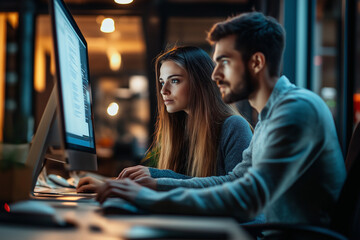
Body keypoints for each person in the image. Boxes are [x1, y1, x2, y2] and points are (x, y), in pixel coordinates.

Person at [95, 12, 346, 226]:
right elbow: (235, 181)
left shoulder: (296, 110)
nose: (214, 74)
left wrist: (145, 197)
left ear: (256, 62)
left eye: (224, 62)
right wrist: (155, 185)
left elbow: (247, 198)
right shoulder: (271, 116)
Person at [77, 46, 253, 193]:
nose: (164, 91)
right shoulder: (182, 130)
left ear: (201, 84)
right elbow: (188, 185)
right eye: (162, 82)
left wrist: (156, 178)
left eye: (174, 81)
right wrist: (114, 185)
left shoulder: (234, 126)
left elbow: (239, 190)